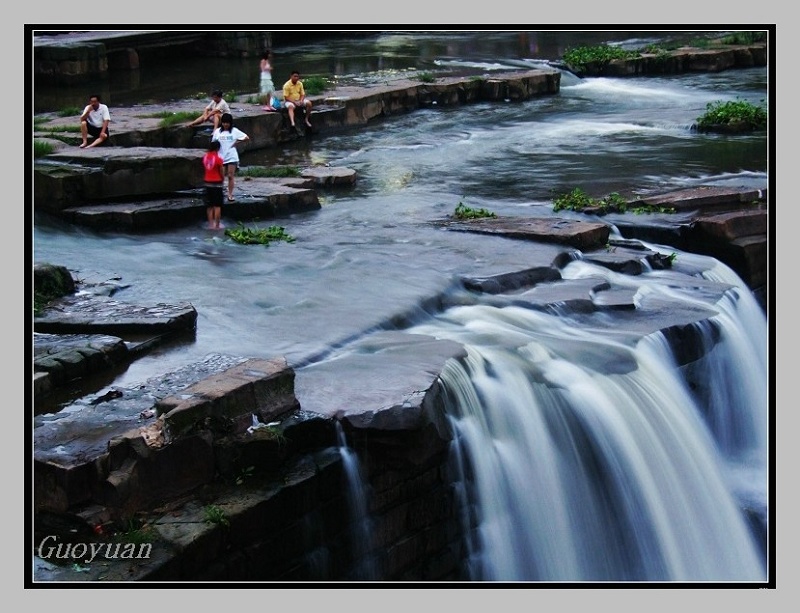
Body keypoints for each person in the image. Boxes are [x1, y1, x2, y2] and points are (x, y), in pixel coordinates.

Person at [212, 113, 250, 202]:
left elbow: (246, 137)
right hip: (221, 157)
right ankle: (220, 193)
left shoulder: (234, 131)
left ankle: (230, 194)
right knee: (221, 176)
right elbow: (213, 143)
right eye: (224, 123)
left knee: (230, 176)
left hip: (232, 156)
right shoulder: (217, 131)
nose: (225, 125)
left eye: (227, 123)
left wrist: (237, 142)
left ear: (230, 123)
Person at [202, 140, 225, 229]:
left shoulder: (205, 157)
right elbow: (221, 171)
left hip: (207, 182)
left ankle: (210, 224)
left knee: (209, 205)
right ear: (218, 148)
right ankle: (217, 225)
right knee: (217, 205)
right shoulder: (218, 159)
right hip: (217, 183)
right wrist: (222, 179)